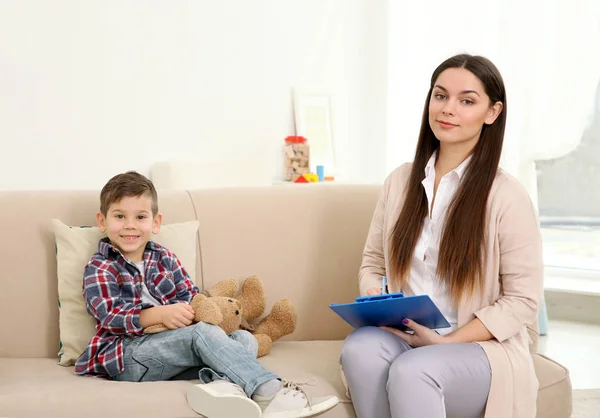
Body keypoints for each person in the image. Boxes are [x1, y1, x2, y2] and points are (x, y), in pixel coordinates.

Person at [340, 54, 543, 418]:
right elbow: (372, 262)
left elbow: (523, 300)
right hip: (406, 332)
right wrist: (375, 294)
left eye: (467, 101)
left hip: (480, 348)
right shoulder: (400, 182)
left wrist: (445, 341)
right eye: (440, 96)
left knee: (413, 370)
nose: (448, 109)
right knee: (359, 348)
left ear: (492, 112)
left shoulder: (506, 195)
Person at [74, 171, 339, 418]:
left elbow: (192, 296)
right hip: (125, 357)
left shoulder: (165, 258)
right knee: (205, 335)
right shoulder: (100, 266)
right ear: (102, 221)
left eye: (140, 217)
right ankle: (269, 392)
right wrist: (159, 314)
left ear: (156, 223)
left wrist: (196, 311)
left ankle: (223, 389)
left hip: (171, 351)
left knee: (242, 339)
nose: (130, 225)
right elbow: (109, 315)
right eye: (120, 216)